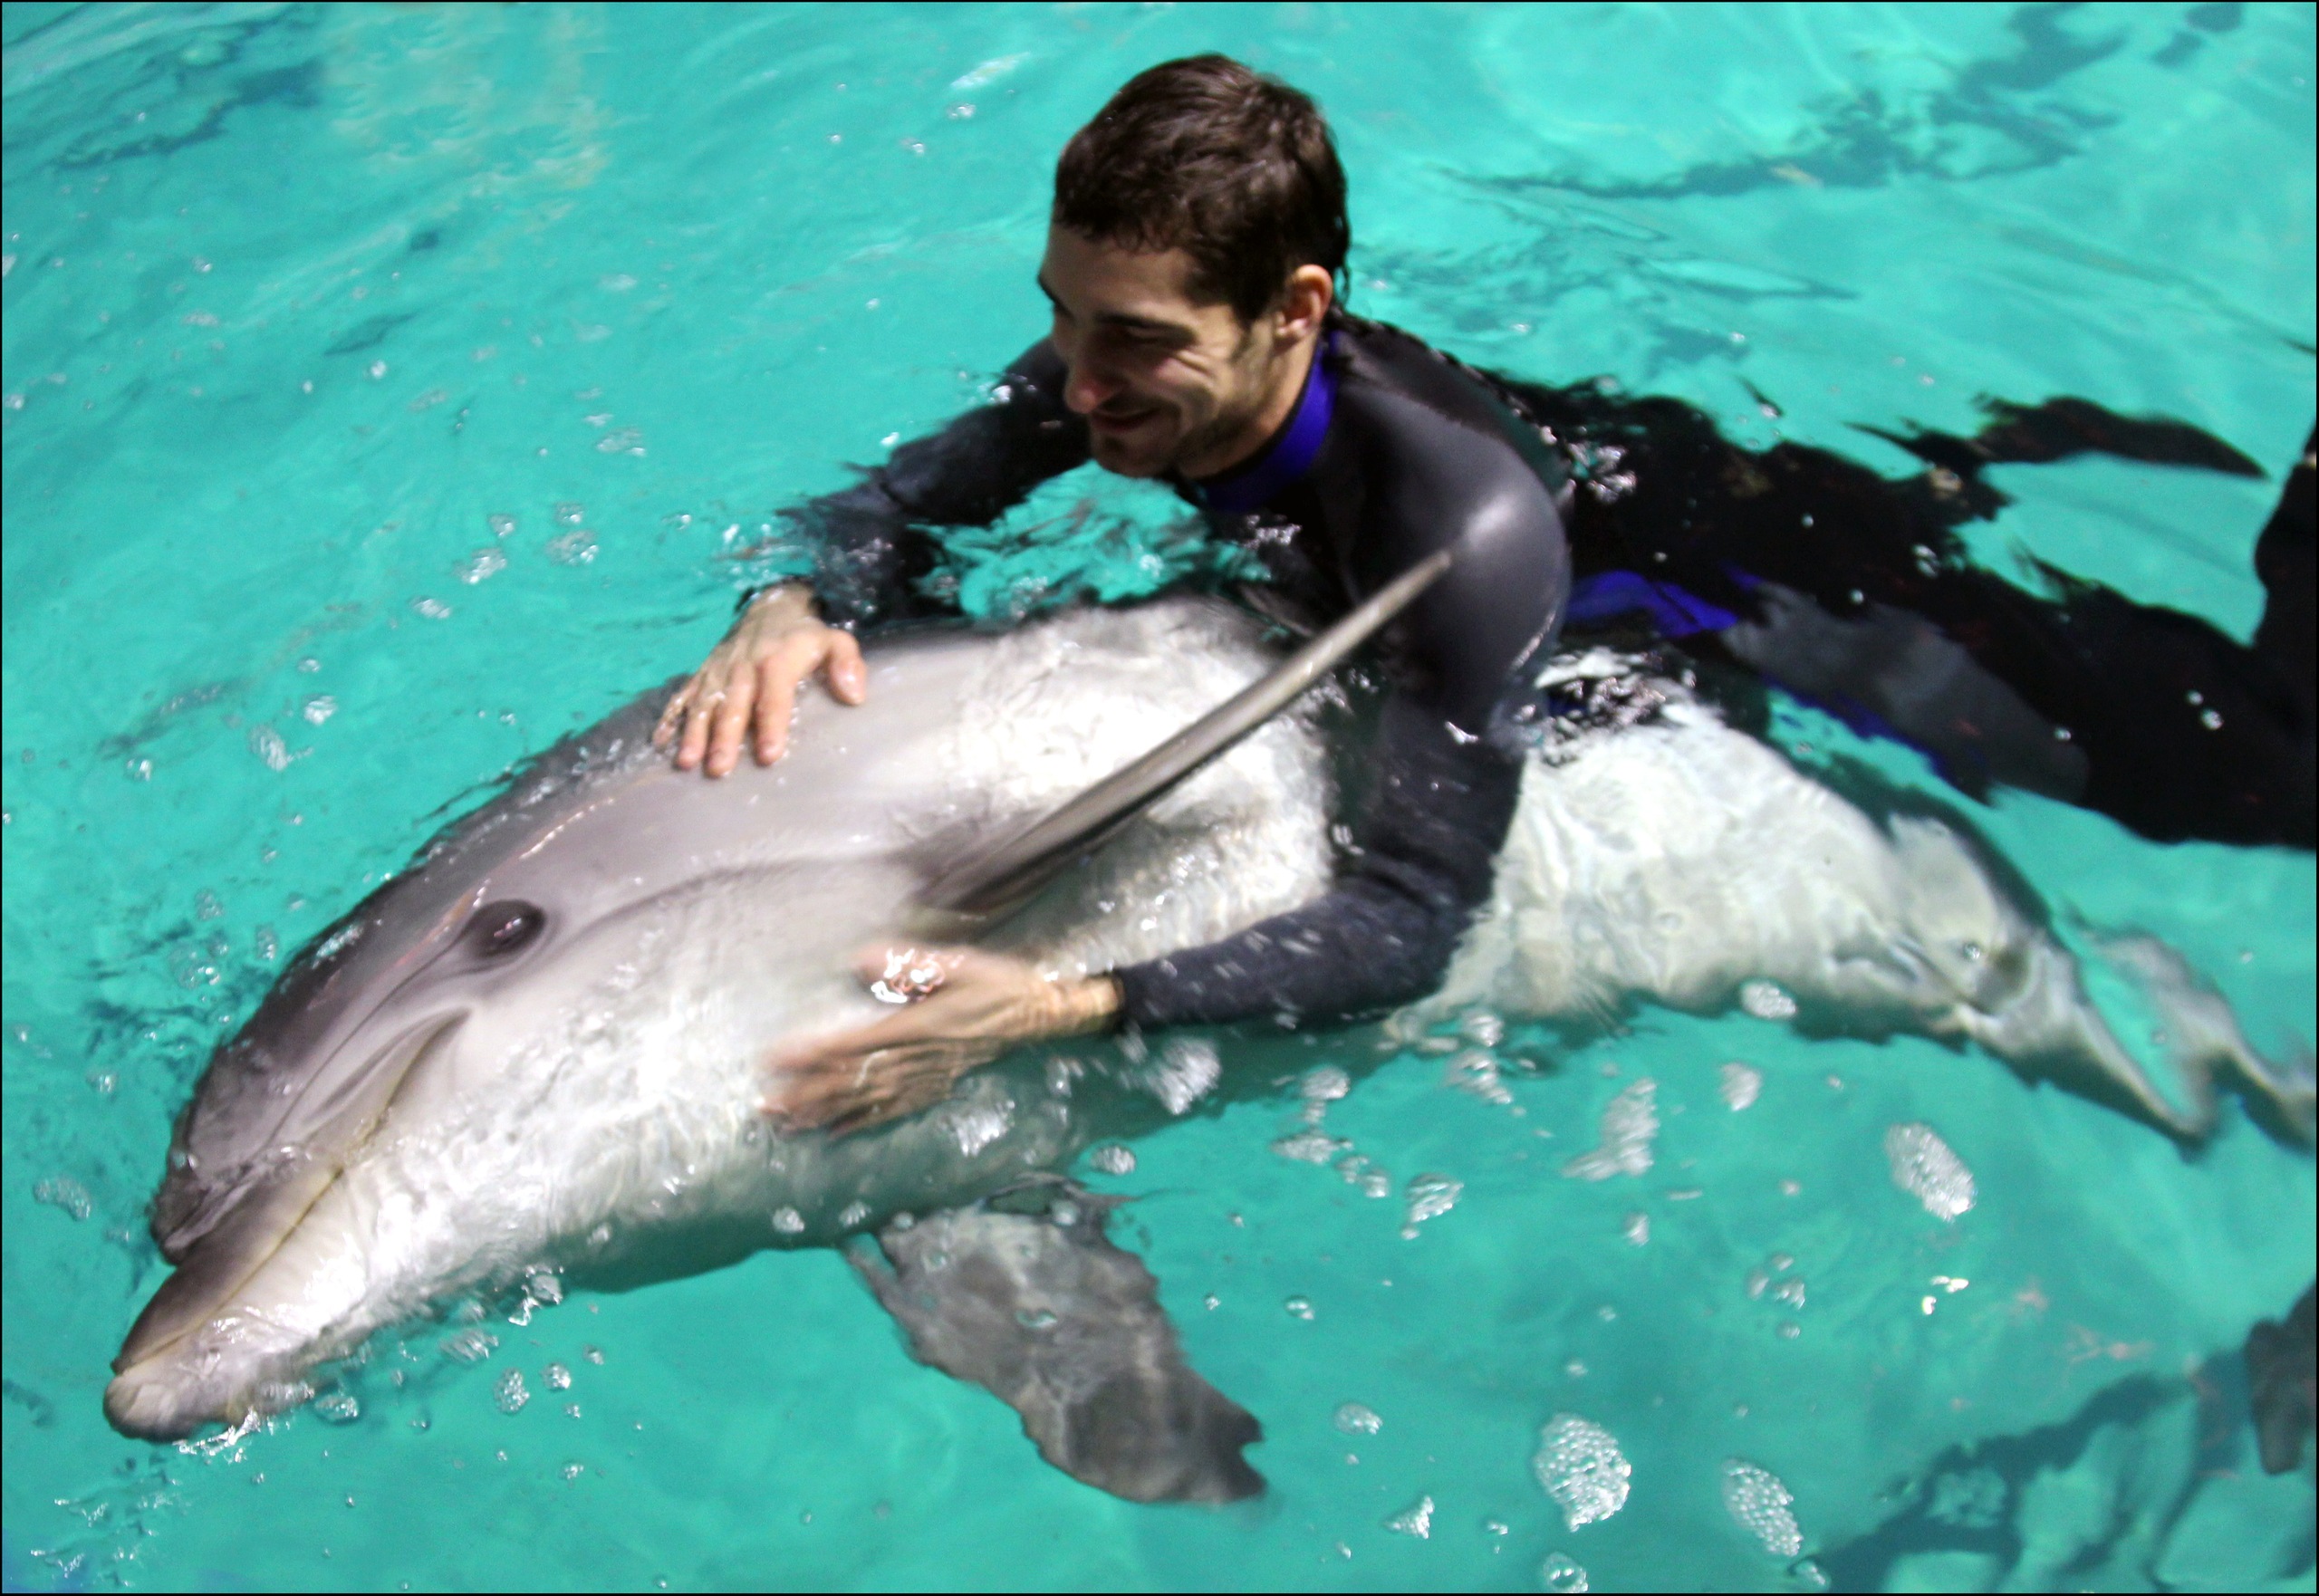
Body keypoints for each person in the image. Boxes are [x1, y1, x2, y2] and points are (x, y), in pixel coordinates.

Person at [656, 55, 2316, 1134]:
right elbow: (888, 508)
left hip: (1741, 583)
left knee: (2247, 778)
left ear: (1295, 309)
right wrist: (794, 599)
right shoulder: (1114, 369)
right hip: (1564, 482)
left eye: (1138, 341)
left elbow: (1409, 921)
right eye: (1062, 315)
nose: (1073, 387)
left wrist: (1065, 1004)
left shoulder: (1458, 536)